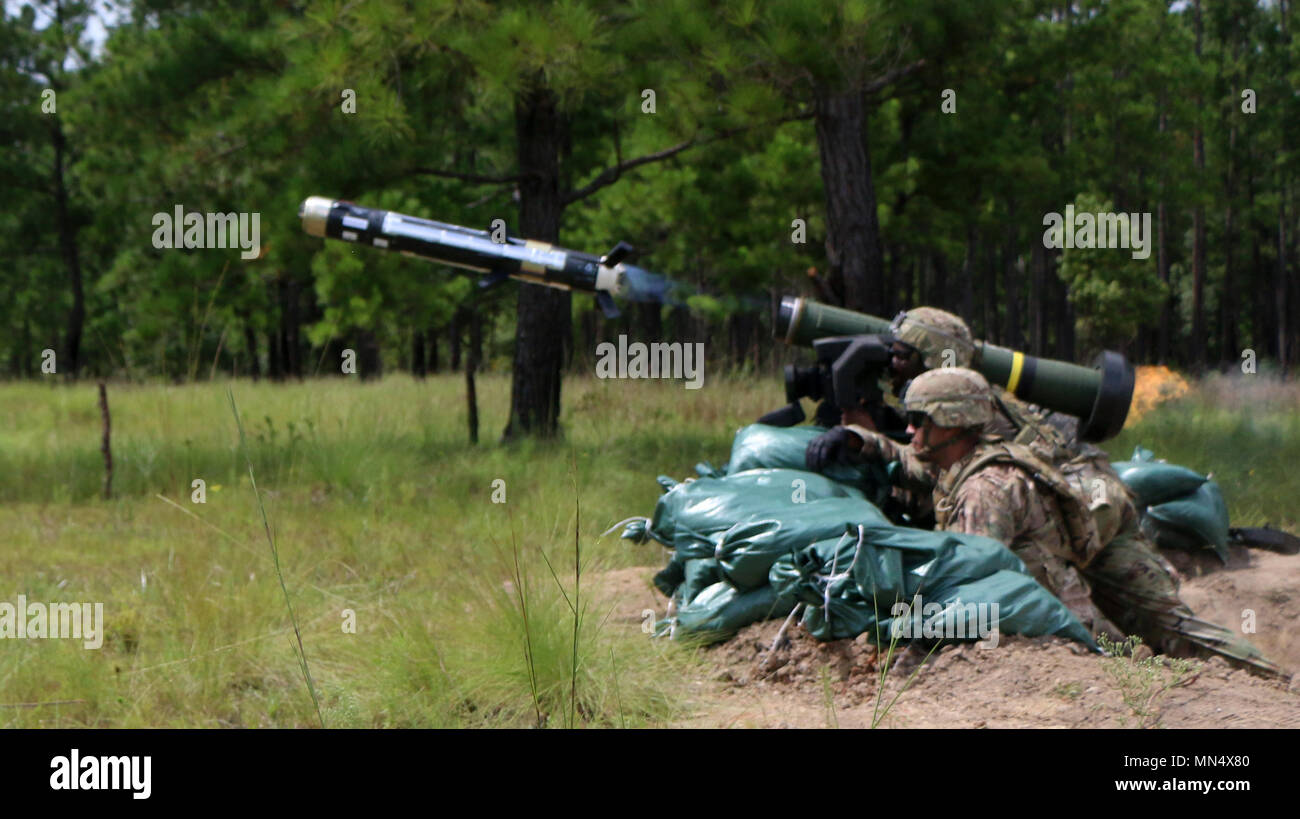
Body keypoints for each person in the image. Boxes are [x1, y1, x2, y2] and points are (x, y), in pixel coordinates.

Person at [851, 367, 1288, 678]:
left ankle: (1274, 683)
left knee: (1171, 633)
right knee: (1143, 646)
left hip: (1090, 575)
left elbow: (969, 588)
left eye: (918, 420)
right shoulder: (962, 460)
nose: (909, 431)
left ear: (952, 422)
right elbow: (914, 465)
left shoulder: (984, 489)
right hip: (1066, 576)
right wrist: (861, 441)